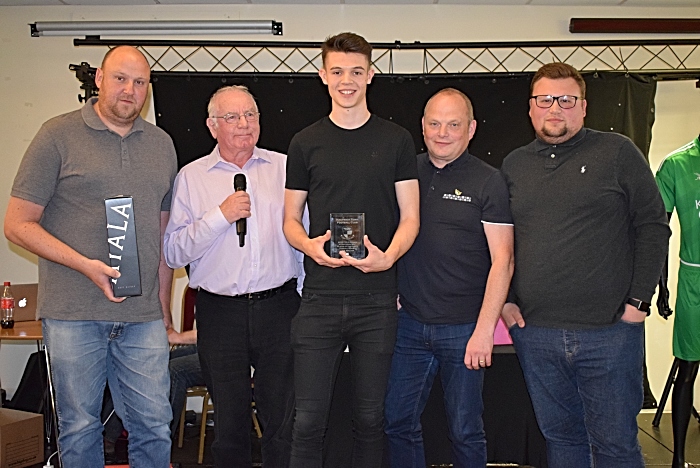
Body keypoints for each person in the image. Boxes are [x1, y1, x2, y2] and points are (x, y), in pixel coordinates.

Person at [4, 45, 177, 467]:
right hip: (73, 312)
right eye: (120, 78)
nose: (130, 90)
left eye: (140, 82)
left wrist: (164, 309)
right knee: (80, 427)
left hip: (142, 318)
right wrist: (85, 265)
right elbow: (17, 223)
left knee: (155, 424)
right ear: (98, 79)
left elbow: (161, 235)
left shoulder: (162, 144)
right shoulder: (56, 135)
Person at [500, 62, 670, 468]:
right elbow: (499, 241)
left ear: (583, 106)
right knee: (561, 440)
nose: (555, 108)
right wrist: (506, 301)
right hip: (536, 333)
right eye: (545, 100)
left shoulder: (617, 153)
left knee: (615, 445)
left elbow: (653, 226)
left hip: (610, 332)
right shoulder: (514, 165)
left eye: (566, 100)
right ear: (530, 108)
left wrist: (638, 303)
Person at [283, 32, 420, 468]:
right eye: (338, 71)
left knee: (369, 418)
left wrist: (389, 257)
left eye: (356, 72)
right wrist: (308, 246)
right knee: (307, 422)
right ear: (323, 75)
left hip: (376, 301)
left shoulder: (396, 140)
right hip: (319, 299)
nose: (347, 81)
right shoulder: (304, 142)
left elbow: (411, 217)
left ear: (371, 75)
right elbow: (289, 220)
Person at [163, 85, 301, 468]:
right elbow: (174, 253)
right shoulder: (192, 177)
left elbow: (302, 239)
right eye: (232, 117)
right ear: (211, 126)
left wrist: (306, 300)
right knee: (230, 422)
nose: (244, 124)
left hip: (280, 307)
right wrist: (219, 217)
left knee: (282, 420)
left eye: (251, 115)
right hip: (220, 313)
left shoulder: (285, 168)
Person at [383, 88, 514, 468]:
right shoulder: (404, 173)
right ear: (422, 127)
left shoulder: (489, 181)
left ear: (471, 129)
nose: (443, 133)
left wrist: (484, 330)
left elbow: (502, 261)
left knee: (465, 430)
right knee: (397, 422)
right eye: (435, 124)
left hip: (464, 328)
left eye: (453, 124)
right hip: (409, 324)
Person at [655, 135, 700, 468]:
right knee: (687, 368)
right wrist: (661, 286)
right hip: (694, 281)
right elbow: (657, 229)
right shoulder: (678, 164)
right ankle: (679, 457)